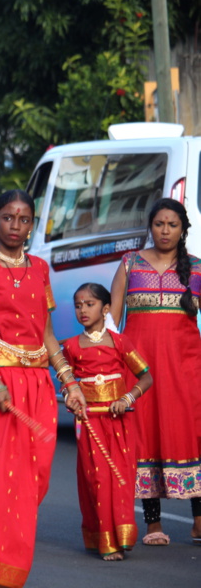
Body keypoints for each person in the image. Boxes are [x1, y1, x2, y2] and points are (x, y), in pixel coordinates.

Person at [0, 189, 86, 588]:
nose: (15, 226)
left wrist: (70, 383)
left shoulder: (40, 268)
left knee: (33, 477)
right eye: (8, 218)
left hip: (38, 385)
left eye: (24, 220)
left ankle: (2, 561)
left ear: (32, 225)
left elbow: (47, 335)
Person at [109, 197, 201, 546]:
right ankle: (153, 525)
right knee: (144, 436)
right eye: (159, 224)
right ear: (150, 227)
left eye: (172, 225)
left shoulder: (197, 269)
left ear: (182, 230)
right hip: (139, 371)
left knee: (191, 435)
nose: (165, 231)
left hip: (186, 371)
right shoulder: (130, 264)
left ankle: (199, 522)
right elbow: (112, 321)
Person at [62, 283, 152, 561]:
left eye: (89, 304)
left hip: (119, 422)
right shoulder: (70, 346)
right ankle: (105, 541)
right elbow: (67, 383)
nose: (83, 310)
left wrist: (126, 398)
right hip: (90, 423)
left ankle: (122, 537)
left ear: (106, 309)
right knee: (97, 479)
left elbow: (146, 377)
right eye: (78, 305)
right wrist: (70, 398)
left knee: (120, 479)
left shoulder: (121, 342)